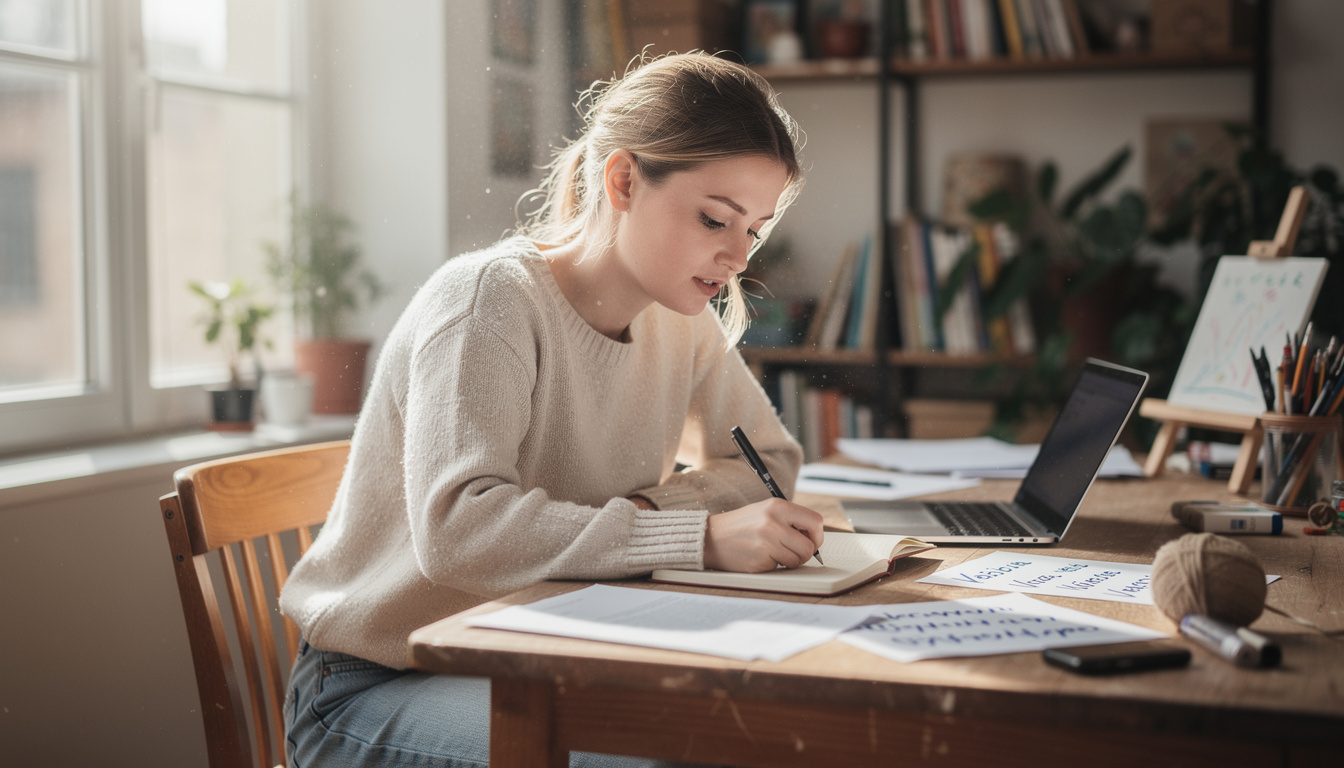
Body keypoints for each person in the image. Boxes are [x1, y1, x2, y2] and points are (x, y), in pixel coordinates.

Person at [281, 51, 817, 768]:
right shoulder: (488, 301)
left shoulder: (679, 317)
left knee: (759, 733)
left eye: (753, 230)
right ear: (623, 180)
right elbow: (459, 531)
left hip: (540, 651)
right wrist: (696, 537)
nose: (738, 258)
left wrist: (651, 512)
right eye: (715, 219)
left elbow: (769, 461)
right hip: (381, 680)